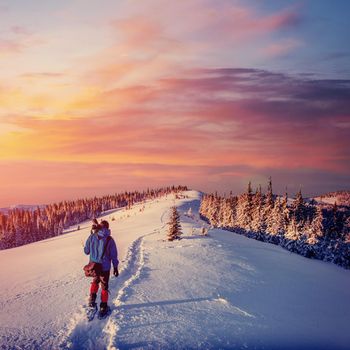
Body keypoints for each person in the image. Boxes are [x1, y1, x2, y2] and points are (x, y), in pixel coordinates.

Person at [84, 219, 119, 318]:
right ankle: (103, 308)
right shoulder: (109, 239)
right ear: (107, 228)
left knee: (95, 282)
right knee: (104, 286)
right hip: (105, 268)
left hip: (94, 266)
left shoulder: (92, 237)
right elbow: (114, 255)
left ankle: (92, 301)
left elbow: (86, 251)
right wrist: (115, 267)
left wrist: (91, 235)